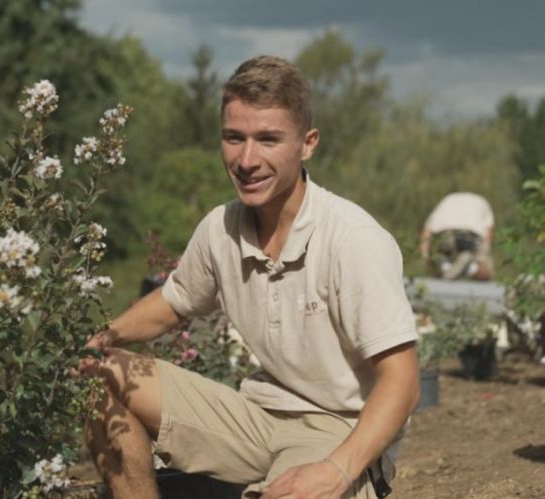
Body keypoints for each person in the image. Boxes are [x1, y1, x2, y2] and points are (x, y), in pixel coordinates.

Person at [80, 55, 420, 499]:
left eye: (268, 139)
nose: (246, 159)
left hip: (336, 432)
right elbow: (173, 302)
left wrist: (336, 469)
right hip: (255, 416)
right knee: (95, 373)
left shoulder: (352, 239)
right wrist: (101, 337)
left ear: (308, 143)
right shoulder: (221, 228)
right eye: (234, 138)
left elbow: (404, 382)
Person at [419, 192, 495, 280]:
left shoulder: (447, 200)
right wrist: (482, 259)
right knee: (486, 272)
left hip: (446, 234)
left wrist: (426, 258)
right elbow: (489, 234)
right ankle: (472, 268)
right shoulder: (483, 202)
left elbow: (426, 234)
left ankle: (446, 266)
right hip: (472, 236)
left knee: (445, 250)